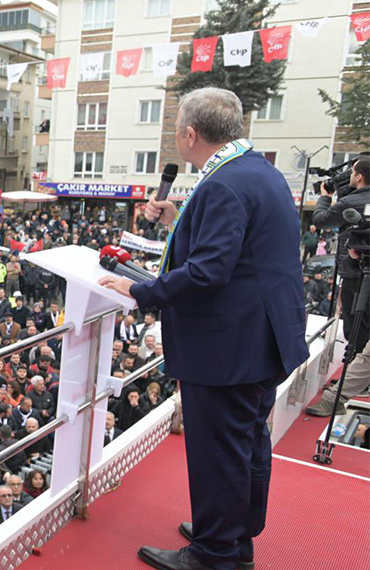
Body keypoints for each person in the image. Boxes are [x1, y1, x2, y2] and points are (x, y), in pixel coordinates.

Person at [101, 87, 309, 570]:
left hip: (230, 348)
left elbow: (209, 271)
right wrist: (179, 220)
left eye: (176, 131)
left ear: (191, 134)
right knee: (242, 443)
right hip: (260, 339)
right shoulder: (256, 170)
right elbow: (236, 250)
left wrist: (141, 291)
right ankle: (232, 537)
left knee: (219, 450)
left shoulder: (222, 184)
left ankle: (214, 554)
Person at [308, 156, 370, 417]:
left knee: (357, 326)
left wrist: (325, 195)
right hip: (359, 271)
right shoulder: (356, 201)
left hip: (359, 277)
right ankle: (344, 391)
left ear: (358, 176)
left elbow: (321, 219)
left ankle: (341, 393)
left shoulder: (352, 202)